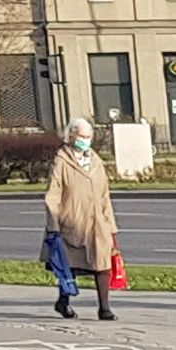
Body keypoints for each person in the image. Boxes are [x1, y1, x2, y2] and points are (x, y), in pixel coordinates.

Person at [41, 123, 118, 321]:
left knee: (103, 264)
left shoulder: (96, 161)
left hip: (98, 223)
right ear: (72, 136)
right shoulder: (61, 161)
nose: (86, 141)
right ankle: (63, 301)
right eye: (82, 137)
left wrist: (111, 226)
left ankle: (104, 308)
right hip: (72, 222)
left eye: (88, 137)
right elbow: (53, 195)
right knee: (70, 265)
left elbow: (105, 196)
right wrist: (53, 225)